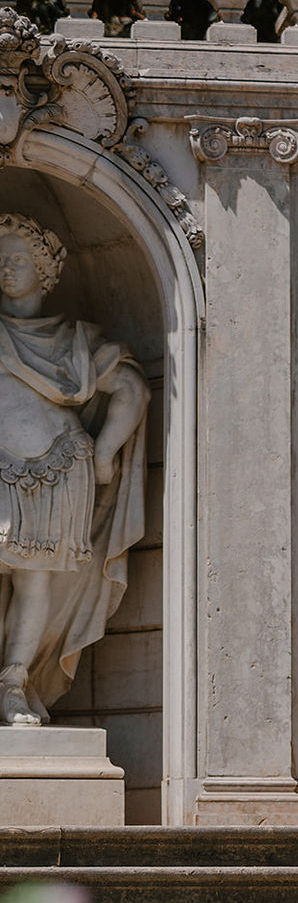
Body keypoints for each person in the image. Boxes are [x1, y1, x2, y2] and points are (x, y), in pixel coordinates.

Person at [0, 213, 149, 725]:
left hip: (59, 471)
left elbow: (133, 388)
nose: (7, 267)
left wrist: (105, 452)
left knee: (35, 583)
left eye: (19, 258)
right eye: (0, 259)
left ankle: (14, 683)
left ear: (43, 269)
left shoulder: (76, 341)